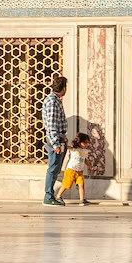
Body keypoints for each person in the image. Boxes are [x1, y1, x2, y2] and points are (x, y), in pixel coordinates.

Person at [41, 76, 70, 207]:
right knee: (52, 169)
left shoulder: (55, 100)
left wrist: (63, 137)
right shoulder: (52, 101)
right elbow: (51, 125)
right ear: (63, 88)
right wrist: (56, 144)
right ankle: (48, 196)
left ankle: (51, 195)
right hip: (55, 140)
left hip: (59, 138)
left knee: (56, 168)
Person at [55, 135, 94, 206]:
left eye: (87, 143)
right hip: (71, 170)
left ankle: (82, 200)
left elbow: (85, 160)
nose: (86, 144)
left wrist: (90, 166)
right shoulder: (74, 149)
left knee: (81, 184)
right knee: (66, 184)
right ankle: (58, 196)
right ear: (79, 142)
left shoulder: (85, 151)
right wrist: (64, 142)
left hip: (80, 171)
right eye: (84, 142)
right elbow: (66, 147)